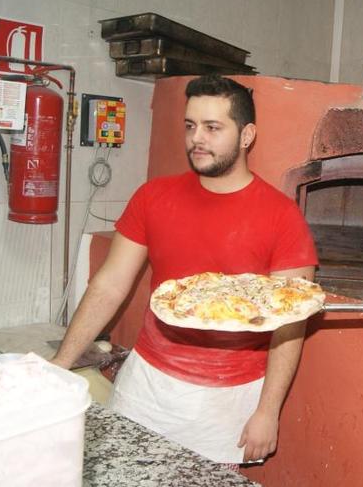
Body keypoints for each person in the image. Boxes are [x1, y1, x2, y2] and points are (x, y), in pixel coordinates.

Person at [51, 74, 318, 467]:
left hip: (227, 399)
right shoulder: (153, 197)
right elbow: (109, 285)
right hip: (147, 384)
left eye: (213, 128)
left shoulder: (283, 218)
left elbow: (290, 323)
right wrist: (62, 362)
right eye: (191, 126)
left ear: (247, 136)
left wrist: (268, 410)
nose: (197, 138)